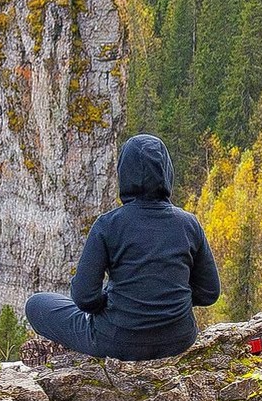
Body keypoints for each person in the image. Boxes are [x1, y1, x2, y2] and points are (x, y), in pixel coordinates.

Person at [24, 134, 220, 361]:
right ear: (167, 173)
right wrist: (170, 303)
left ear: (124, 174)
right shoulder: (188, 224)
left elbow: (84, 298)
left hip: (118, 341)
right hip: (178, 339)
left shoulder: (108, 225)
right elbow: (209, 292)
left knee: (36, 304)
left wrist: (111, 300)